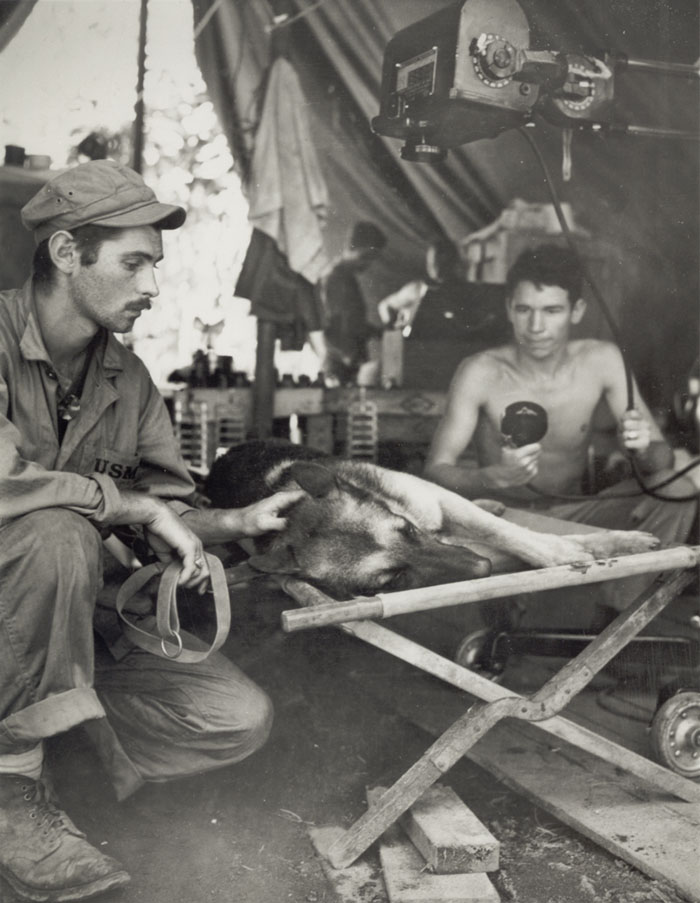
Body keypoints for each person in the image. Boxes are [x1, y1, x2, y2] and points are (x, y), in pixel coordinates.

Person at [0, 160, 304, 902]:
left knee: (235, 716)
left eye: (154, 266)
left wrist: (231, 520)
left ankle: (34, 757)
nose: (152, 285)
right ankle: (13, 799)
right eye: (135, 262)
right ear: (68, 253)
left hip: (64, 629)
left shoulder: (126, 378)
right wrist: (128, 506)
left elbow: (166, 506)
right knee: (58, 533)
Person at [425, 243, 696, 609]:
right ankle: (521, 605)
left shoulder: (601, 360)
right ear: (509, 309)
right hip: (505, 521)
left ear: (577, 310)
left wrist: (643, 446)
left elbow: (660, 464)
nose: (536, 327)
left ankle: (622, 614)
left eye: (552, 310)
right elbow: (435, 471)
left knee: (678, 489)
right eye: (525, 310)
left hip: (576, 513)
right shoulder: (480, 371)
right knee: (513, 605)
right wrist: (493, 477)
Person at [320, 220, 387, 385]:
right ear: (355, 249)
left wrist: (380, 332)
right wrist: (351, 358)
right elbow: (334, 326)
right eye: (368, 257)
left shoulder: (345, 278)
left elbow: (352, 322)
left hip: (348, 361)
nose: (369, 264)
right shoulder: (335, 278)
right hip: (341, 365)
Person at [377, 237, 459, 333]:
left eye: (443, 262)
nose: (437, 267)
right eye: (433, 263)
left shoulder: (460, 291)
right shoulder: (416, 289)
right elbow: (384, 305)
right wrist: (393, 327)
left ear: (453, 263)